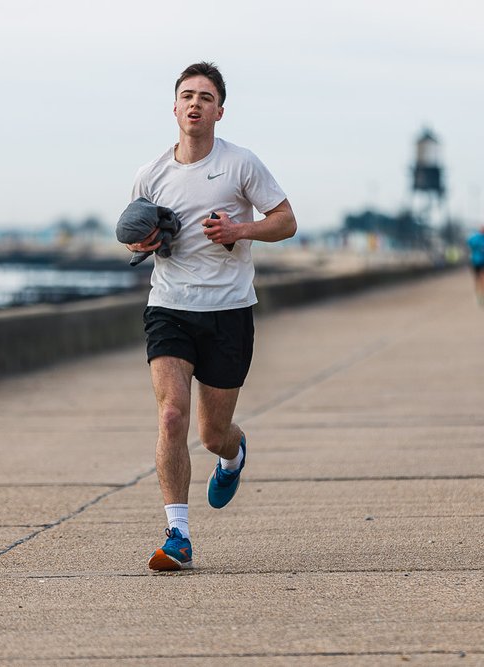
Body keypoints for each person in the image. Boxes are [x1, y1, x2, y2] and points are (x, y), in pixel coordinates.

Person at [124, 62, 297, 571]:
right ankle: (177, 532)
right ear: (174, 108)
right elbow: (137, 237)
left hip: (228, 312)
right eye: (186, 95)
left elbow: (286, 221)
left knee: (211, 433)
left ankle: (234, 454)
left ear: (220, 111)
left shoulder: (242, 164)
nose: (195, 103)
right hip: (169, 308)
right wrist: (144, 241)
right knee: (171, 414)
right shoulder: (150, 174)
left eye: (205, 96)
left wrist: (238, 231)